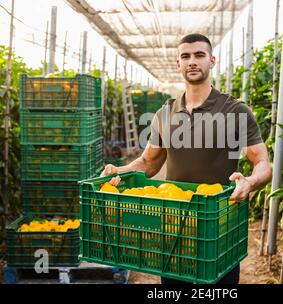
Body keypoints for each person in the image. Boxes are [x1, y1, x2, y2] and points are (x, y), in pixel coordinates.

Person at [101, 33, 272, 284]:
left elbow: (262, 164)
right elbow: (149, 161)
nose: (192, 61)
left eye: (199, 55)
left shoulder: (234, 110)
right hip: (173, 232)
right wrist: (121, 170)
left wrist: (250, 181)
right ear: (178, 64)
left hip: (218, 231)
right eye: (186, 56)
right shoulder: (164, 113)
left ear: (212, 61)